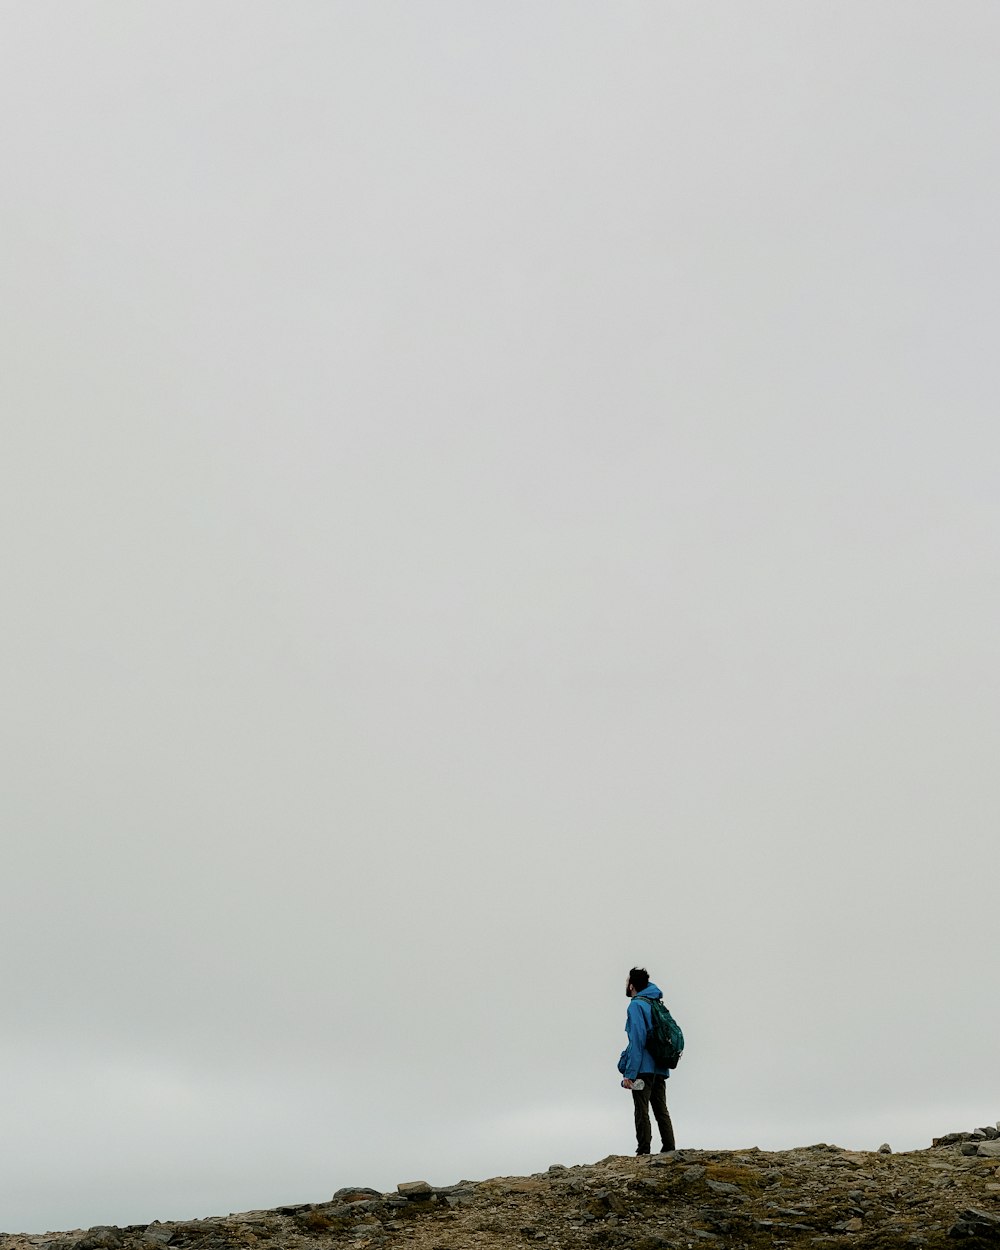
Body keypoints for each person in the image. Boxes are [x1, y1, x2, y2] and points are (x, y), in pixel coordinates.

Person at [618, 966, 676, 1155]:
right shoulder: (655, 1002)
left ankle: (643, 1151)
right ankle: (669, 1148)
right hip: (660, 1066)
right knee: (661, 1109)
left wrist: (630, 1074)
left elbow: (637, 1040)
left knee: (641, 1109)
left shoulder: (636, 1005)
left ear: (632, 985)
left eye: (628, 982)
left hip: (642, 1068)